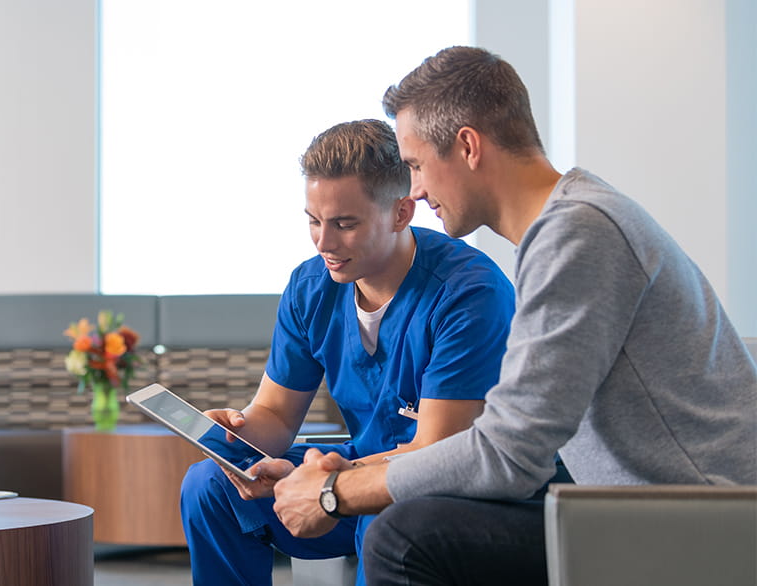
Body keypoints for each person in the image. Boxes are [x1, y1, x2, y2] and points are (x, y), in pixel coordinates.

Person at [269, 46, 757, 586]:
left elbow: (507, 455)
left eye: (416, 166)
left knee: (405, 536)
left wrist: (336, 492)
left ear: (468, 147)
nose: (416, 190)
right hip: (638, 514)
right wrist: (342, 474)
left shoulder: (579, 234)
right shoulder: (568, 226)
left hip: (703, 529)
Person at [178, 119, 516, 586]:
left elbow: (436, 452)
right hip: (356, 464)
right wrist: (234, 436)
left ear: (401, 213)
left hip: (445, 491)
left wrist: (328, 483)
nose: (324, 243)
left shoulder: (469, 293)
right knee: (209, 486)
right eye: (313, 221)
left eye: (344, 224)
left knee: (386, 514)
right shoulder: (310, 287)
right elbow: (275, 415)